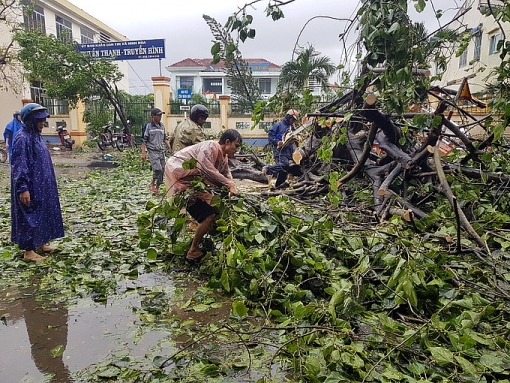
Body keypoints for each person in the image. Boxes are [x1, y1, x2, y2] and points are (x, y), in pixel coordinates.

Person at [164, 129, 242, 263]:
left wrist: (232, 185)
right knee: (208, 215)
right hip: (182, 178)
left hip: (194, 182)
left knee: (216, 209)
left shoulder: (223, 157)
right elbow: (206, 170)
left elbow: (225, 173)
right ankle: (193, 250)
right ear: (227, 142)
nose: (237, 150)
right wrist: (229, 185)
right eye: (236, 146)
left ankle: (203, 241)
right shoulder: (210, 147)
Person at [11, 103, 64, 261]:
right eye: (39, 120)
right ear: (30, 121)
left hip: (42, 185)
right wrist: (23, 188)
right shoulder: (23, 138)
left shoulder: (35, 136)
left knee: (43, 212)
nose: (43, 123)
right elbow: (20, 165)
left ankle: (41, 243)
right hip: (30, 185)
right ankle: (29, 252)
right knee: (29, 215)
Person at [264, 109, 300, 187]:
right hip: (280, 151)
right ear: (288, 117)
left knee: (285, 170)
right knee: (284, 165)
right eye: (292, 119)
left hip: (289, 151)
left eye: (294, 120)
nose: (293, 121)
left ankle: (278, 186)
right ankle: (268, 169)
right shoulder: (278, 125)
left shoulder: (291, 127)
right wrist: (277, 142)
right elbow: (270, 137)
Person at [141, 108, 171, 195]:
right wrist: (143, 153)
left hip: (161, 150)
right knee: (157, 169)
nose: (160, 117)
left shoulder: (162, 126)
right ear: (153, 116)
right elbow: (144, 141)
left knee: (163, 169)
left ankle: (156, 187)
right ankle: (152, 183)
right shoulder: (148, 127)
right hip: (152, 151)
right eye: (158, 115)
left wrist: (169, 147)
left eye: (161, 115)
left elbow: (165, 138)